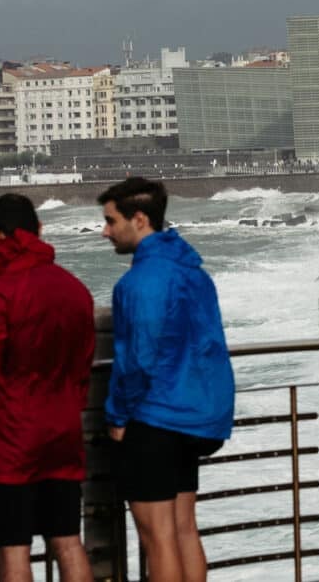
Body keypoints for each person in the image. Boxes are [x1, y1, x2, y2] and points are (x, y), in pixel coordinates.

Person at [0, 193, 95, 582]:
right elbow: (82, 366)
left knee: (13, 548)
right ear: (40, 229)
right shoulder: (75, 290)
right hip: (61, 431)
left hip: (9, 441)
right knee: (67, 540)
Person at [98, 177, 234, 581]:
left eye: (110, 221)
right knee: (182, 528)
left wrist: (118, 416)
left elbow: (139, 359)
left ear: (139, 219)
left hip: (158, 417)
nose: (105, 231)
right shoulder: (193, 272)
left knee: (157, 537)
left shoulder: (141, 282)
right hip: (199, 415)